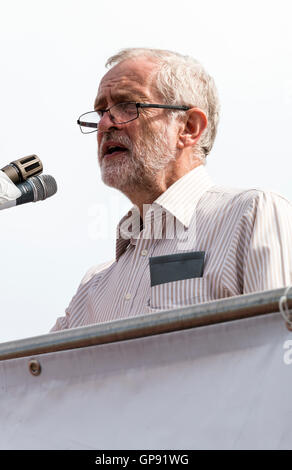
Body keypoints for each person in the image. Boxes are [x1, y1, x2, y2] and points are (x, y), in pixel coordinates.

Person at [50, 47, 292, 331]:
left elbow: (279, 352)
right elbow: (33, 372)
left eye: (128, 105)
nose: (105, 124)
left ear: (188, 127)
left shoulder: (252, 215)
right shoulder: (92, 290)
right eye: (102, 111)